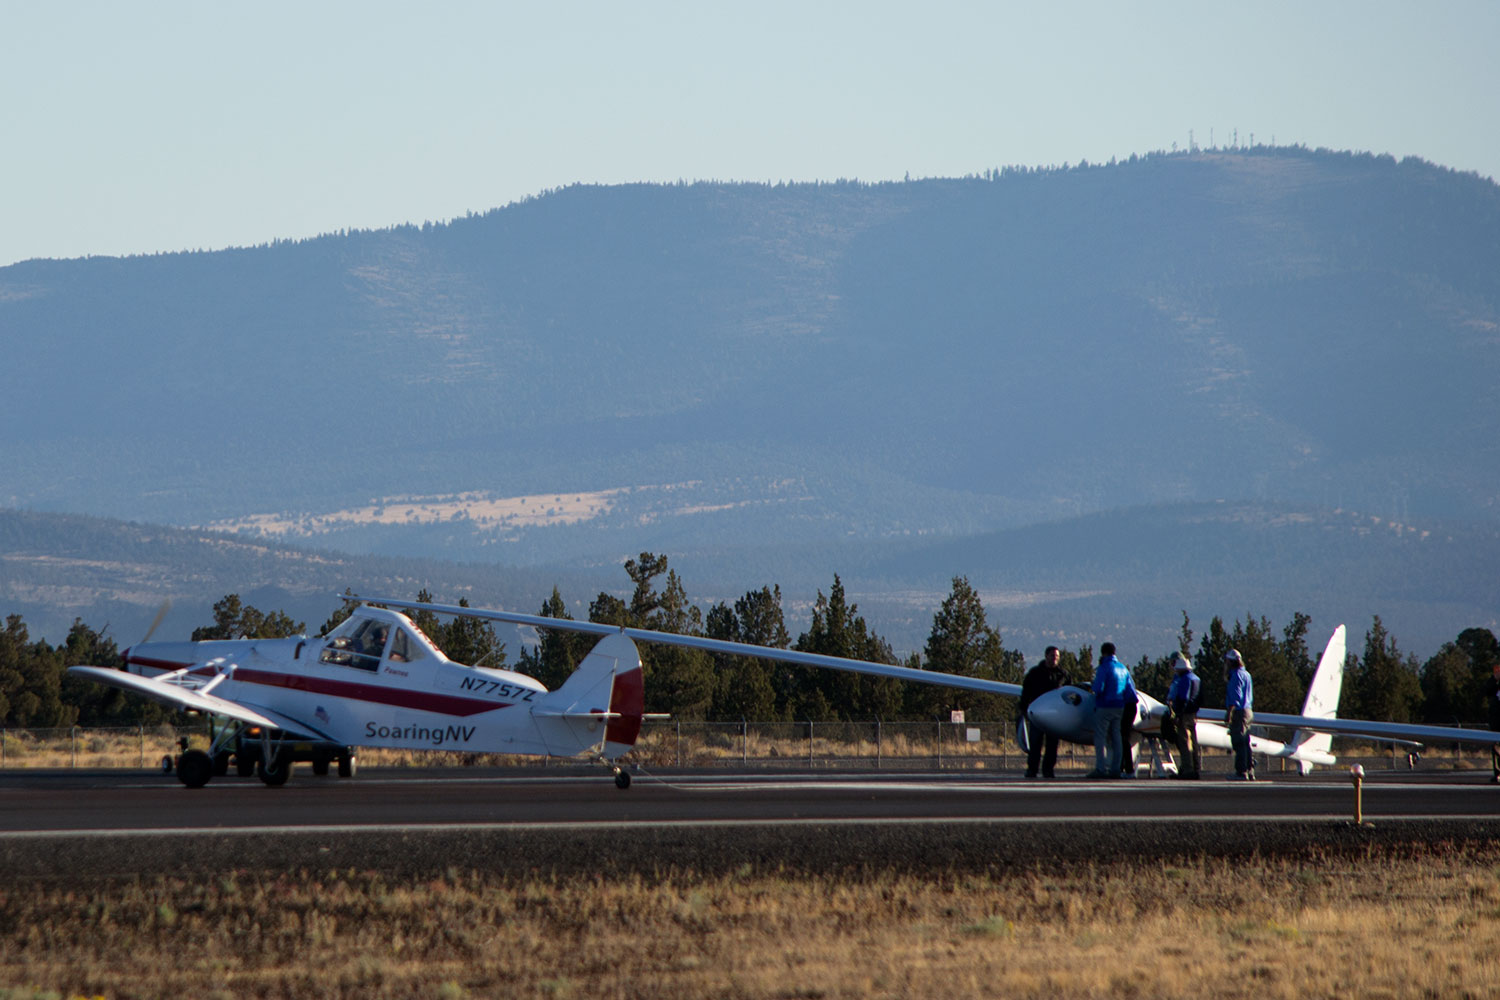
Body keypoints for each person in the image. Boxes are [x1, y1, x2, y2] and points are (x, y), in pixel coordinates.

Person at [1018, 646, 1071, 779]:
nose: (1055, 659)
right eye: (1052, 656)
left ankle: (1048, 770)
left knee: (1052, 745)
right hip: (1038, 715)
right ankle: (1032, 770)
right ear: (1046, 656)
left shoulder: (1063, 675)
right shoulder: (1035, 673)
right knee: (1035, 744)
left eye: (1057, 656)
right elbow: (1026, 693)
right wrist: (1024, 709)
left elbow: (1070, 693)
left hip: (1055, 716)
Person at [1091, 642, 1135, 778]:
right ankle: (1116, 769)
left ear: (1103, 653)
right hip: (1120, 706)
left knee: (1100, 737)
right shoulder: (1123, 668)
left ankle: (1100, 769)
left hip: (1105, 705)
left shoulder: (1104, 667)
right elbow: (1129, 691)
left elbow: (1098, 687)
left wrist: (1094, 691)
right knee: (1117, 737)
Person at [1166, 653, 1201, 779]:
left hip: (1184, 714)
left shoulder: (1184, 679)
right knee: (1194, 743)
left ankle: (1187, 770)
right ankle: (1196, 768)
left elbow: (1183, 698)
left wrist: (1178, 714)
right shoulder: (1196, 678)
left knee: (1185, 742)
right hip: (1193, 714)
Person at [1225, 648, 1254, 780]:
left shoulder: (1236, 676)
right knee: (1246, 742)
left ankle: (1241, 771)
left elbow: (1235, 697)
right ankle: (1249, 769)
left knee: (1238, 741)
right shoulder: (1246, 674)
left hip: (1239, 711)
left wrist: (1229, 713)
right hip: (1248, 710)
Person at [1485, 662, 1500, 783]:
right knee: (1495, 746)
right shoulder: (1493, 683)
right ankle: (1498, 773)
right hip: (1496, 719)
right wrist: (1495, 679)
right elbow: (1486, 690)